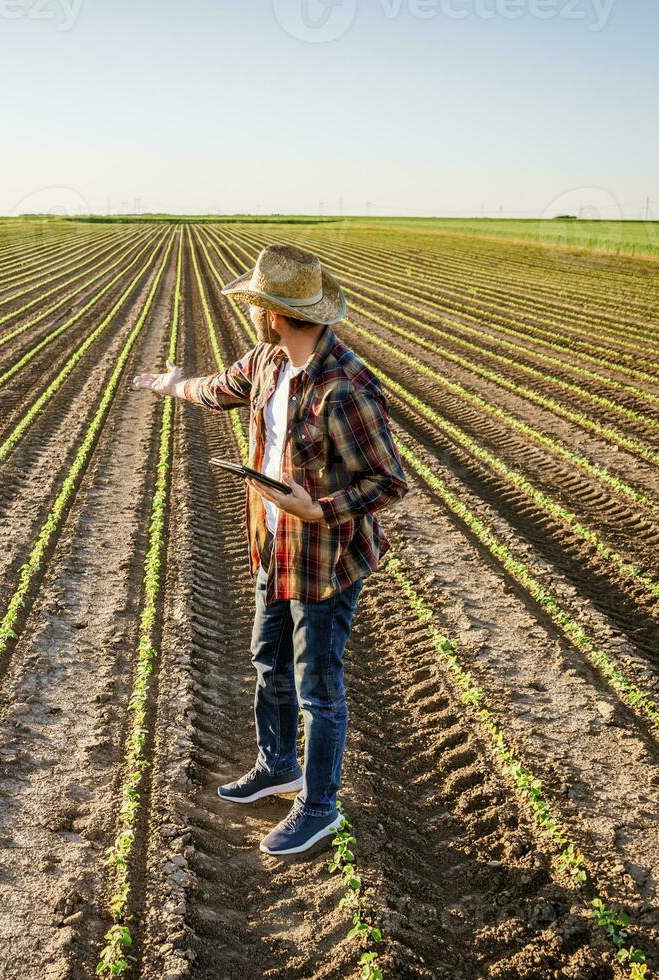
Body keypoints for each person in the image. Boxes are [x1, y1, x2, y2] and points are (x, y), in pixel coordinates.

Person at [133, 243, 408, 855]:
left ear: (274, 313)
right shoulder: (267, 362)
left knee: (318, 686)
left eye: (257, 305)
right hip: (274, 547)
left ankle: (319, 805)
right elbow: (217, 388)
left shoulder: (346, 386)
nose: (254, 313)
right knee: (268, 663)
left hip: (324, 561)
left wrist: (319, 508)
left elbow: (388, 480)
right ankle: (278, 765)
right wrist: (173, 386)